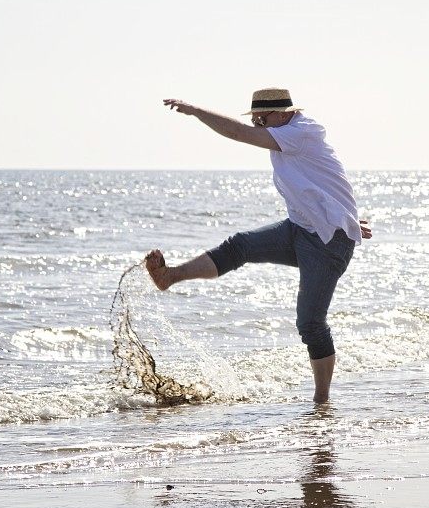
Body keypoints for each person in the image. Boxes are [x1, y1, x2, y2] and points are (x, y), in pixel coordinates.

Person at [146, 88, 371, 403]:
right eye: (255, 119)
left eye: (262, 119)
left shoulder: (300, 132)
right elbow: (326, 181)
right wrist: (347, 217)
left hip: (326, 243)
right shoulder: (285, 137)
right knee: (240, 246)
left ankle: (322, 401)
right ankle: (169, 277)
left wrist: (196, 111)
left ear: (283, 113)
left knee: (310, 322)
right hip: (301, 230)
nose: (258, 125)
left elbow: (238, 134)